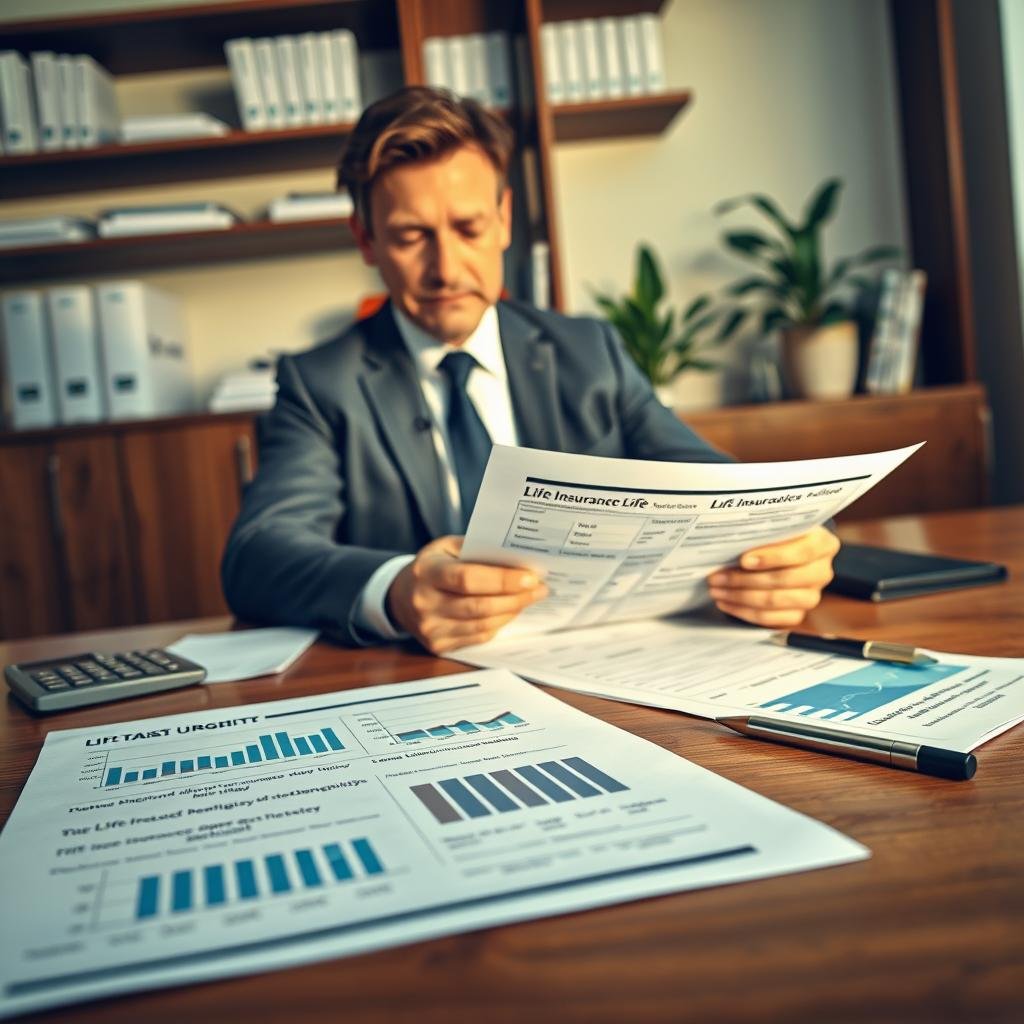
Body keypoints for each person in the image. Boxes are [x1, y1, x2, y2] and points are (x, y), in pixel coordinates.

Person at [222, 87, 838, 654]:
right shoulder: (319, 382)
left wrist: (788, 544)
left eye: (468, 228)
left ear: (505, 220)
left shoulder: (588, 350)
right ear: (366, 239)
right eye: (412, 236)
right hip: (418, 680)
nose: (446, 268)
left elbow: (712, 482)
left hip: (600, 666)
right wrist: (394, 590)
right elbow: (259, 555)